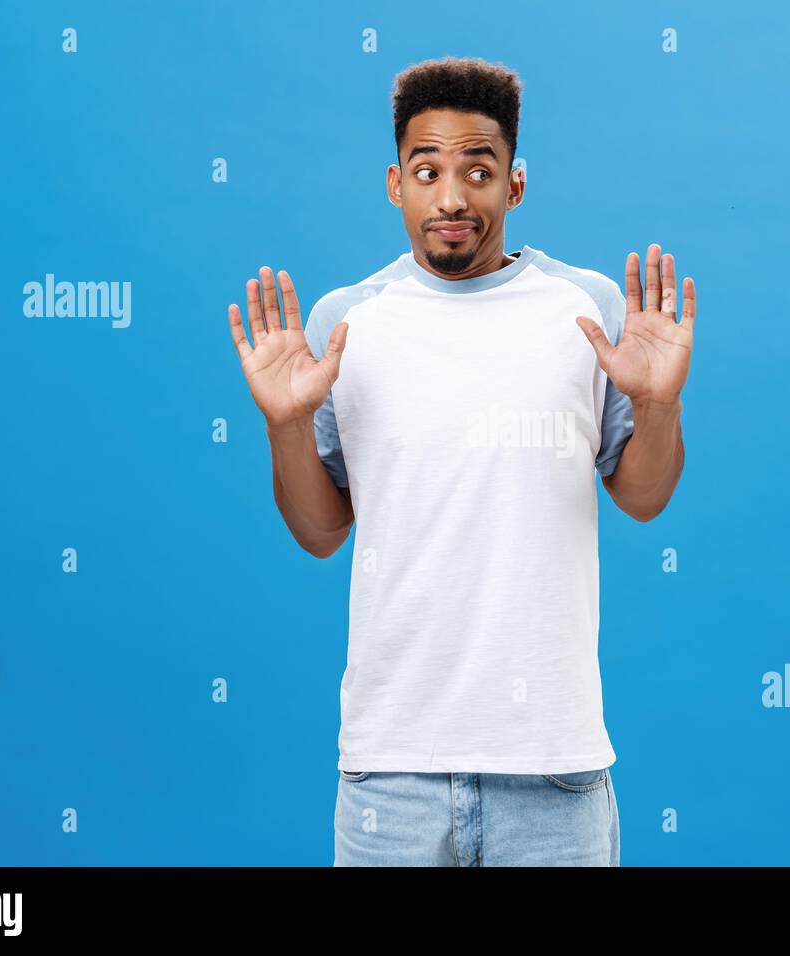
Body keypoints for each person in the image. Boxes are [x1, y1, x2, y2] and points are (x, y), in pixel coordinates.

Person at [225, 56, 695, 866]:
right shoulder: (348, 323)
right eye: (427, 170)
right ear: (394, 184)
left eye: (478, 170)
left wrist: (658, 402)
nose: (451, 197)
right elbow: (319, 531)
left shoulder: (587, 311)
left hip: (554, 765)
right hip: (390, 770)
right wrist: (286, 426)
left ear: (513, 185)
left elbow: (644, 498)